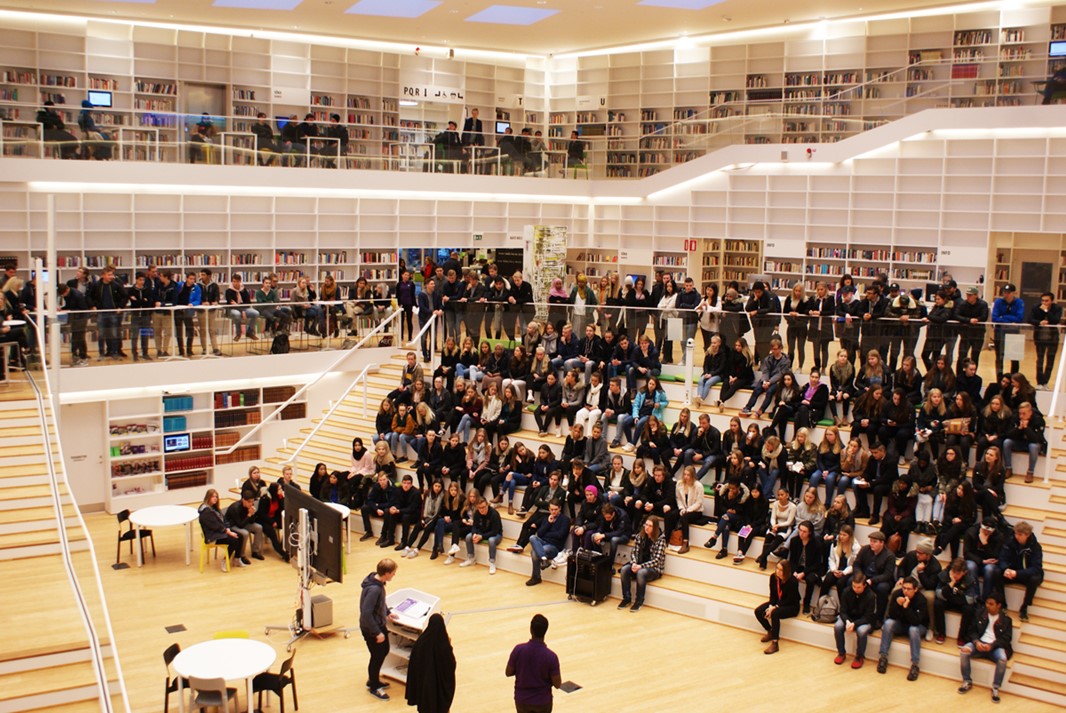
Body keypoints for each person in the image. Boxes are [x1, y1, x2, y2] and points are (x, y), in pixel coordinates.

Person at [958, 591, 1013, 704]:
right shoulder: (979, 613)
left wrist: (992, 646)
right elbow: (971, 630)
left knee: (1002, 659)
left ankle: (996, 688)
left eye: (991, 604)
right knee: (964, 651)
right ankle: (967, 681)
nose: (987, 606)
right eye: (987, 603)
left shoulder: (1006, 620)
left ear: (999, 605)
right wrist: (976, 642)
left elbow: (1006, 639)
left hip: (995, 647)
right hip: (979, 643)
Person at [359, 558, 400, 701]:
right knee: (377, 656)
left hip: (377, 624)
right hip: (371, 628)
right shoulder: (374, 589)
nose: (394, 575)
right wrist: (377, 632)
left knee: (384, 651)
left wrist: (387, 612)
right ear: (386, 573)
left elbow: (380, 603)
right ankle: (374, 686)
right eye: (393, 573)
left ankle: (373, 679)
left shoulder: (377, 581)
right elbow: (366, 613)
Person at [505, 614, 561, 713]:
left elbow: (508, 672)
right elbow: (557, 684)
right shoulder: (551, 657)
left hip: (522, 700)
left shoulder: (518, 650)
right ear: (545, 631)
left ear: (531, 629)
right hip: (542, 702)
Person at [877, 575, 928, 680]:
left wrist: (906, 608)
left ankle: (915, 665)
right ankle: (883, 657)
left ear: (915, 589)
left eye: (909, 589)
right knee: (888, 624)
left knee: (913, 630)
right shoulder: (897, 595)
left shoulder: (921, 600)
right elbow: (891, 615)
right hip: (901, 625)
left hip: (918, 626)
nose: (905, 591)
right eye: (904, 588)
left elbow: (916, 621)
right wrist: (898, 605)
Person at [404, 612, 456, 713]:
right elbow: (451, 665)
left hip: (424, 689)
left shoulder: (421, 642)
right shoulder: (444, 645)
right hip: (439, 692)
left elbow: (414, 664)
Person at [996, 520, 1043, 622]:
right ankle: (1002, 604)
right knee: (996, 572)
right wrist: (1005, 569)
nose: (1016, 536)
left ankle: (1024, 607)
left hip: (1025, 574)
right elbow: (1002, 558)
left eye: (1020, 534)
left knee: (1035, 579)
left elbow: (1036, 568)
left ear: (1027, 535)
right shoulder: (1010, 542)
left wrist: (1018, 573)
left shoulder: (1035, 547)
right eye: (1016, 533)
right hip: (1012, 572)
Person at [618, 516, 666, 613]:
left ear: (655, 528)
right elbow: (634, 552)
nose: (647, 527)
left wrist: (640, 566)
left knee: (641, 573)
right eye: (646, 525)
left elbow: (656, 560)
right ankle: (626, 598)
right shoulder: (640, 536)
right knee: (624, 570)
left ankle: (639, 601)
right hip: (639, 564)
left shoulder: (661, 540)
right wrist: (634, 563)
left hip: (654, 569)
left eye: (650, 526)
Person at [754, 560, 801, 655]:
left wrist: (775, 607)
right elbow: (773, 595)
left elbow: (790, 599)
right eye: (777, 568)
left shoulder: (792, 581)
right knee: (758, 611)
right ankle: (770, 631)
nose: (778, 571)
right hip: (777, 603)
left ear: (786, 571)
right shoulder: (773, 577)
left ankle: (775, 643)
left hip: (791, 606)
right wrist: (771, 605)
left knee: (775, 613)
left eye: (781, 570)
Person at [833, 571, 877, 669]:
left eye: (858, 587)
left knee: (861, 632)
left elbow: (868, 616)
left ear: (864, 585)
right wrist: (848, 621)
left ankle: (859, 656)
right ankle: (841, 653)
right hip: (849, 618)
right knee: (838, 626)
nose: (855, 589)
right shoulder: (846, 592)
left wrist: (855, 624)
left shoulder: (871, 596)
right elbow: (842, 611)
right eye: (854, 586)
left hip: (865, 620)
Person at [525, 499, 570, 586]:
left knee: (534, 552)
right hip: (543, 542)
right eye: (552, 509)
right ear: (549, 509)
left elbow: (560, 535)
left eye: (556, 509)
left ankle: (536, 577)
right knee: (532, 537)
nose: (554, 511)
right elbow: (540, 533)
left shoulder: (565, 520)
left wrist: (547, 534)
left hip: (555, 547)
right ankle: (544, 559)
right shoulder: (547, 519)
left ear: (560, 508)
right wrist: (549, 523)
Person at [197, 489, 243, 571]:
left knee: (241, 536)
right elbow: (216, 526)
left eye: (216, 497)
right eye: (213, 497)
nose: (215, 498)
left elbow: (224, 520)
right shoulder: (206, 512)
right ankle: (225, 560)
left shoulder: (214, 508)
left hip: (220, 532)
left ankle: (237, 558)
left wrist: (228, 527)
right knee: (234, 540)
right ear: (208, 497)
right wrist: (228, 532)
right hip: (212, 536)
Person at [1030, 292, 1063, 389]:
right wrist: (1039, 322)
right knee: (1040, 360)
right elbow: (1030, 319)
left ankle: (1045, 382)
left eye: (1047, 301)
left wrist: (1046, 311)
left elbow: (1055, 320)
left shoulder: (1057, 308)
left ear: (1052, 301)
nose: (1044, 303)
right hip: (1040, 337)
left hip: (1052, 338)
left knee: (1050, 360)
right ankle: (1040, 382)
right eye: (1043, 300)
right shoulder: (1036, 307)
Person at [461, 496, 503, 574]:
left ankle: (492, 562)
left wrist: (481, 537)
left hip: (496, 534)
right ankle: (471, 558)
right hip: (482, 532)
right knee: (468, 537)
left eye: (483, 507)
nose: (481, 510)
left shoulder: (494, 514)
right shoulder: (477, 513)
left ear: (487, 505)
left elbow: (494, 531)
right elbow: (474, 526)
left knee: (491, 540)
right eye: (479, 508)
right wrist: (474, 534)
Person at [991, 283, 1024, 378]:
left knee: (1015, 357)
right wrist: (1010, 320)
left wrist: (1003, 317)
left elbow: (1020, 318)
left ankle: (1014, 378)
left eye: (1009, 292)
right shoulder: (998, 302)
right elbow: (994, 318)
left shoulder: (1019, 302)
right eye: (1005, 292)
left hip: (1014, 333)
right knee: (999, 357)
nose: (1006, 294)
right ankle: (1000, 378)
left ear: (1014, 293)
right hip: (999, 332)